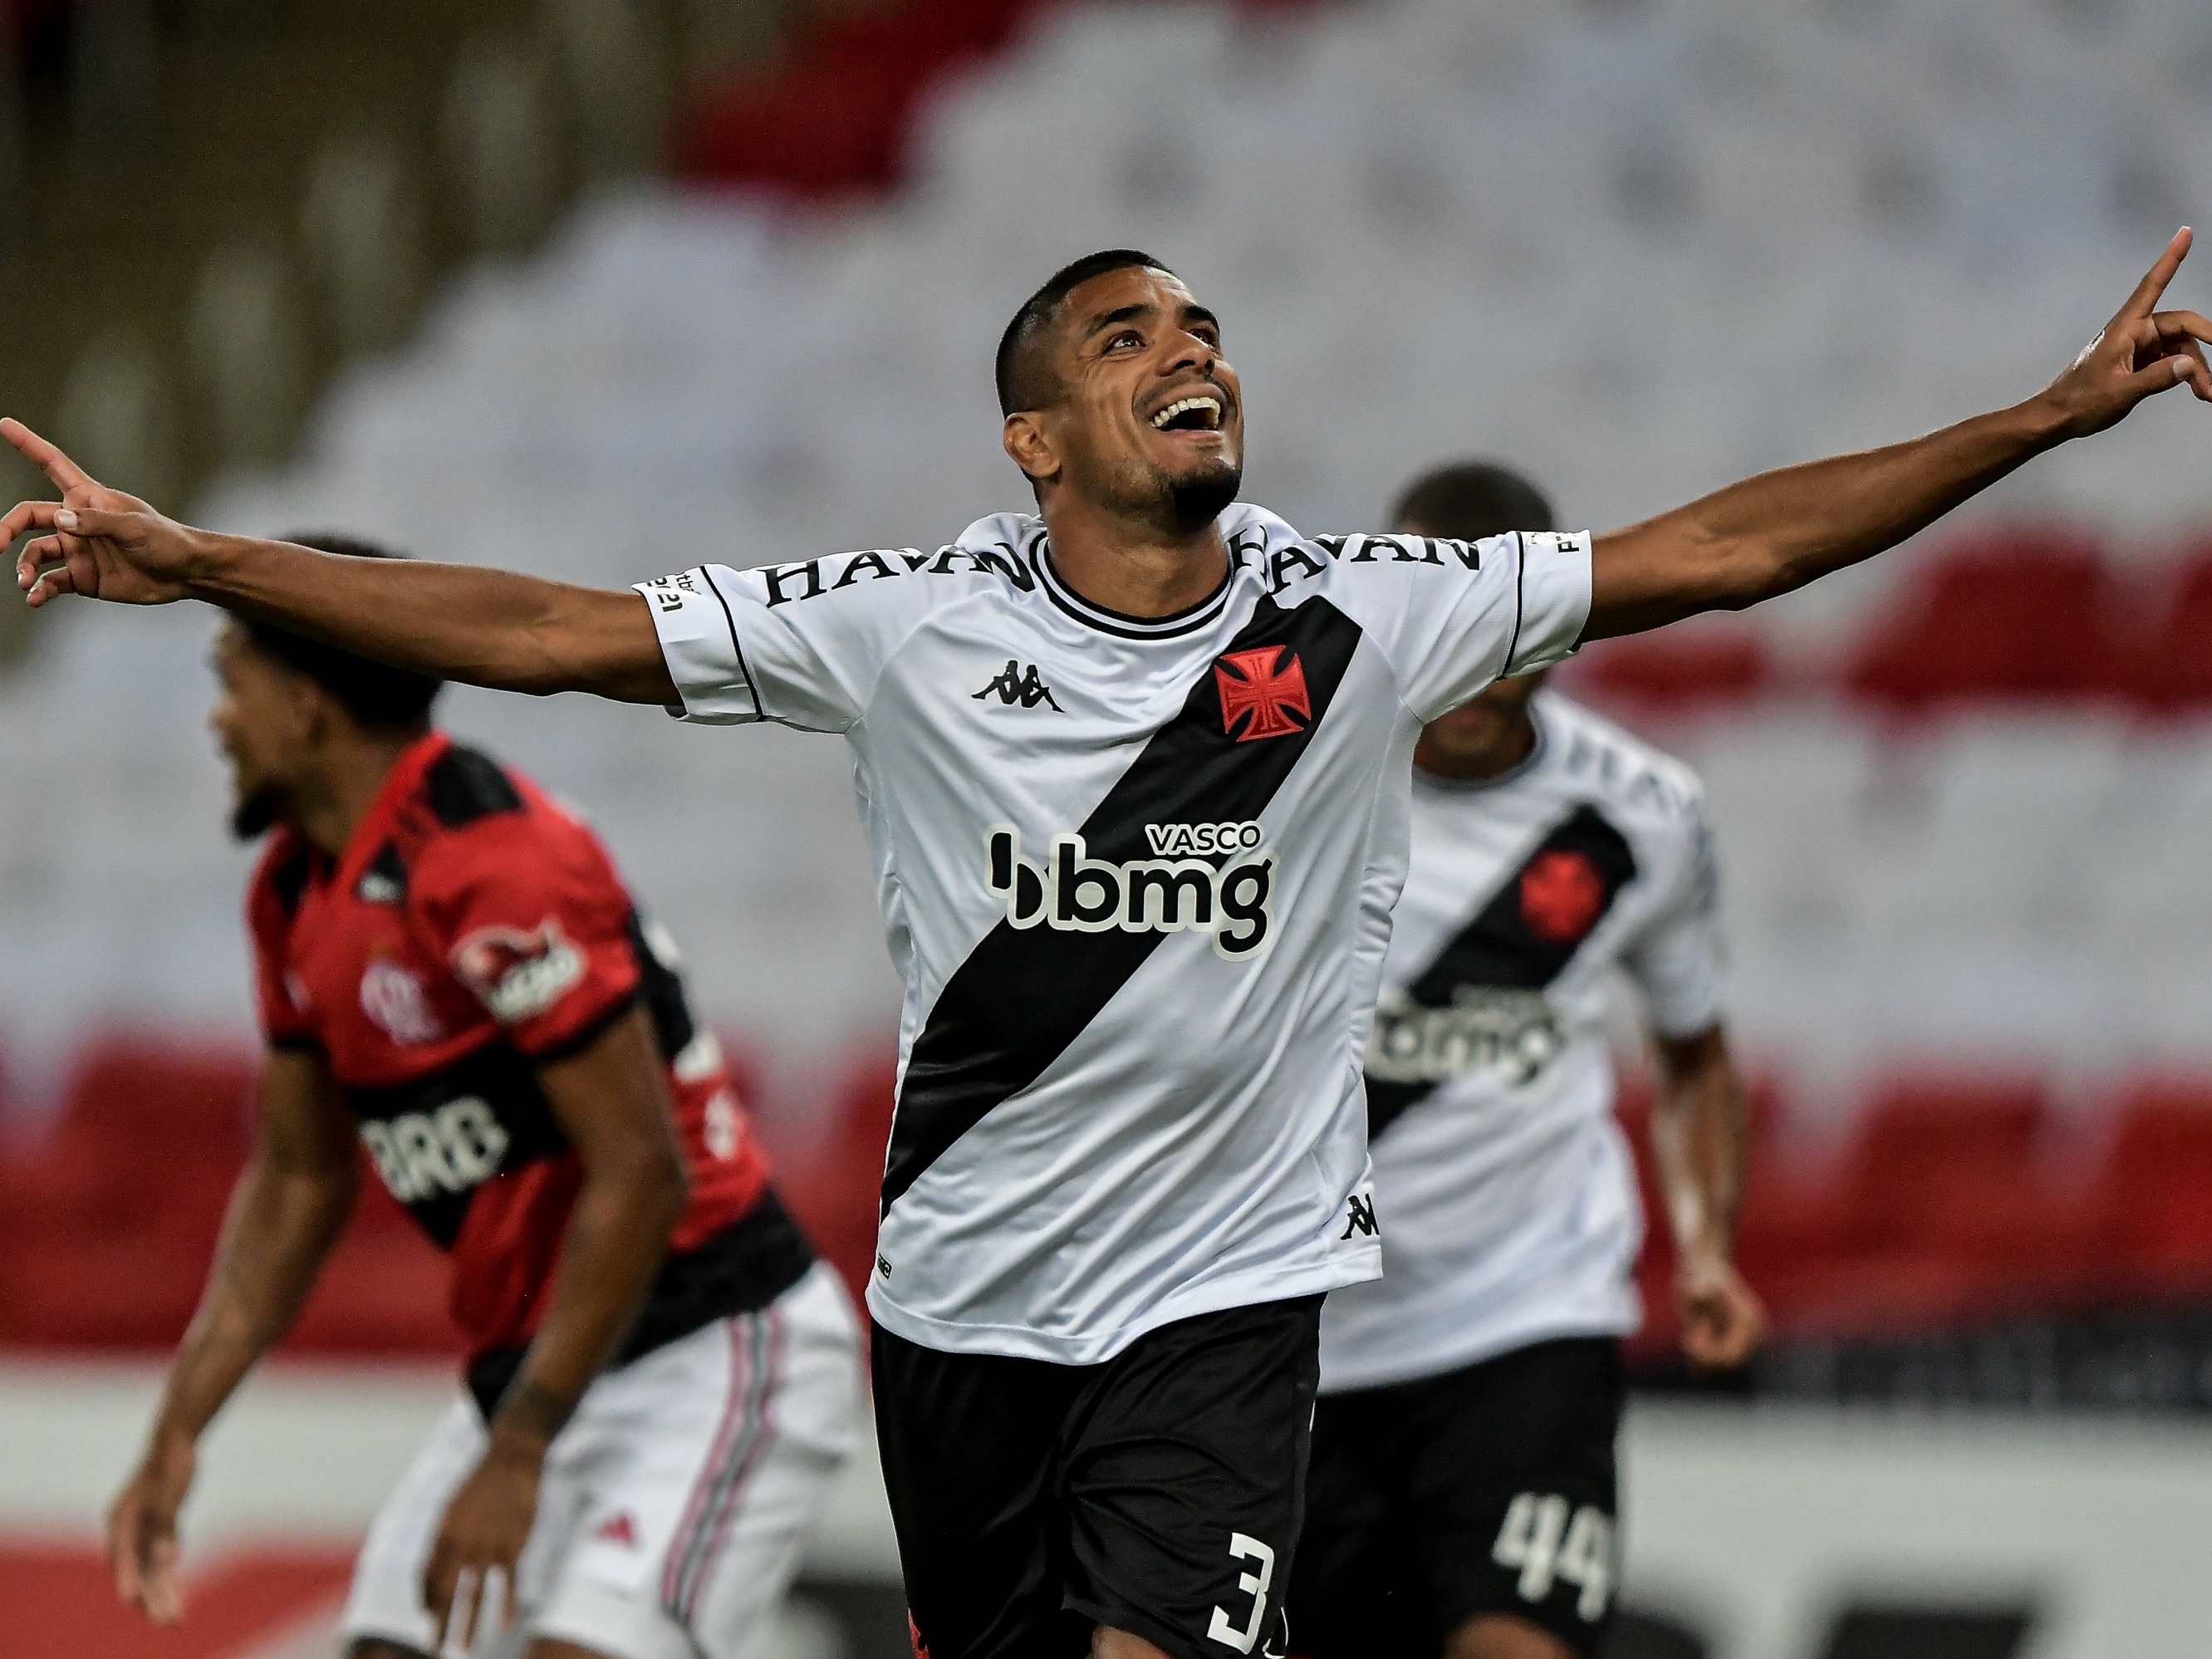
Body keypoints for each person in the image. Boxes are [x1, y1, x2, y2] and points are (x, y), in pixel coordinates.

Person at [12, 234, 2207, 1659]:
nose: (1191, 351)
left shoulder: (1362, 613)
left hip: (1226, 1309)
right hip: (962, 1315)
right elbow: (548, 631)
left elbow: (1721, 546)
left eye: (1205, 327)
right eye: (1125, 333)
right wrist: (209, 558)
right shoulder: (905, 626)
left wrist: (2036, 416)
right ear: (1038, 437)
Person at [100, 544, 865, 1659]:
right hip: (542, 1360)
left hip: (714, 1338)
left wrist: (519, 1452)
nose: (218, 721)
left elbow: (642, 1170)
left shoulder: (488, 860)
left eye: (232, 681)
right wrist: (180, 1425)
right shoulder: (293, 891)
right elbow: (301, 1175)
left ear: (307, 705)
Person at [1287, 463, 1763, 1659]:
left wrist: (1706, 1246)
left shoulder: (1641, 812)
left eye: (1506, 625)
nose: (1477, 666)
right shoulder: (1282, 784)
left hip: (1523, 1320)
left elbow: (1696, 1054)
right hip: (1284, 1334)